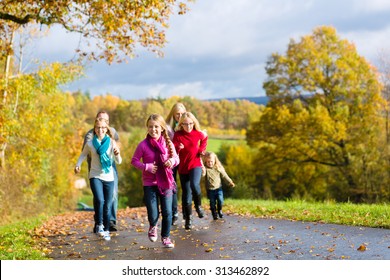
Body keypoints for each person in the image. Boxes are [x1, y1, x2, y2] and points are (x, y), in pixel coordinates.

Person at [131, 114, 179, 248]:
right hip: (149, 184)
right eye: (150, 127)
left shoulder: (168, 143)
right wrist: (147, 167)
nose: (153, 129)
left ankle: (166, 237)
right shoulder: (143, 145)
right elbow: (134, 161)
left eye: (156, 126)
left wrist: (172, 161)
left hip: (166, 183)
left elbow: (176, 159)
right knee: (153, 213)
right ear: (147, 128)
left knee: (167, 212)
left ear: (162, 128)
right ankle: (153, 226)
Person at [75, 118, 122, 241]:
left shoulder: (112, 142)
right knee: (100, 200)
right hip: (95, 176)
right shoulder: (90, 143)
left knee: (108, 204)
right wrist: (78, 164)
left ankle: (106, 229)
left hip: (109, 177)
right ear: (94, 129)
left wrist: (117, 154)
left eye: (103, 128)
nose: (100, 130)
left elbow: (119, 161)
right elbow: (83, 154)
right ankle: (100, 225)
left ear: (107, 129)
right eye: (97, 127)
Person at [173, 112, 208, 230]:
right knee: (186, 194)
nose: (188, 126)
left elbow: (205, 138)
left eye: (191, 124)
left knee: (194, 184)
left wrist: (202, 149)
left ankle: (198, 206)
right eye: (186, 124)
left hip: (195, 164)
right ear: (181, 124)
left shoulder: (197, 133)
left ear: (194, 123)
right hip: (183, 167)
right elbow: (173, 149)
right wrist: (178, 147)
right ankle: (188, 219)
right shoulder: (177, 135)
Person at [165, 102, 186, 225]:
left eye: (182, 113)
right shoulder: (167, 127)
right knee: (172, 185)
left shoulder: (187, 124)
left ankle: (186, 211)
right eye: (177, 114)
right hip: (171, 159)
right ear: (173, 114)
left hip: (184, 159)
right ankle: (174, 212)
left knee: (185, 186)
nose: (180, 116)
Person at [202, 151, 235, 220]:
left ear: (214, 161)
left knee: (220, 201)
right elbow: (202, 175)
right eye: (208, 162)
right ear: (205, 161)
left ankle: (219, 210)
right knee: (212, 202)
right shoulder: (206, 169)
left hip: (218, 188)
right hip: (210, 189)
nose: (210, 163)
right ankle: (214, 213)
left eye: (211, 161)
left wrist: (230, 182)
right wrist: (203, 169)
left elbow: (224, 175)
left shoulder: (218, 167)